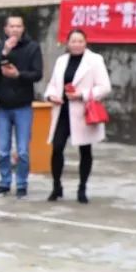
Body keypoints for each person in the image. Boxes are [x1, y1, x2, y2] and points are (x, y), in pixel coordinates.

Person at [45, 29, 111, 204]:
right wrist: (51, 96)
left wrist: (82, 95)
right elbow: (52, 84)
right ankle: (56, 186)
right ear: (67, 43)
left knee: (85, 150)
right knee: (57, 147)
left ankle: (82, 188)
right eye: (73, 41)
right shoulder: (61, 61)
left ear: (86, 42)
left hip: (83, 111)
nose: (76, 44)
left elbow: (104, 87)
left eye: (80, 41)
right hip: (62, 111)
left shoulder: (95, 60)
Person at [0, 15, 43, 199]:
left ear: (23, 28)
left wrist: (18, 75)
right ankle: (4, 183)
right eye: (12, 26)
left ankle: (21, 184)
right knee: (3, 150)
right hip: (2, 105)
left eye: (19, 26)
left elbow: (37, 74)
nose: (15, 30)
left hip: (23, 106)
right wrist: (4, 52)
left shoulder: (32, 47)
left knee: (22, 151)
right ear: (5, 29)